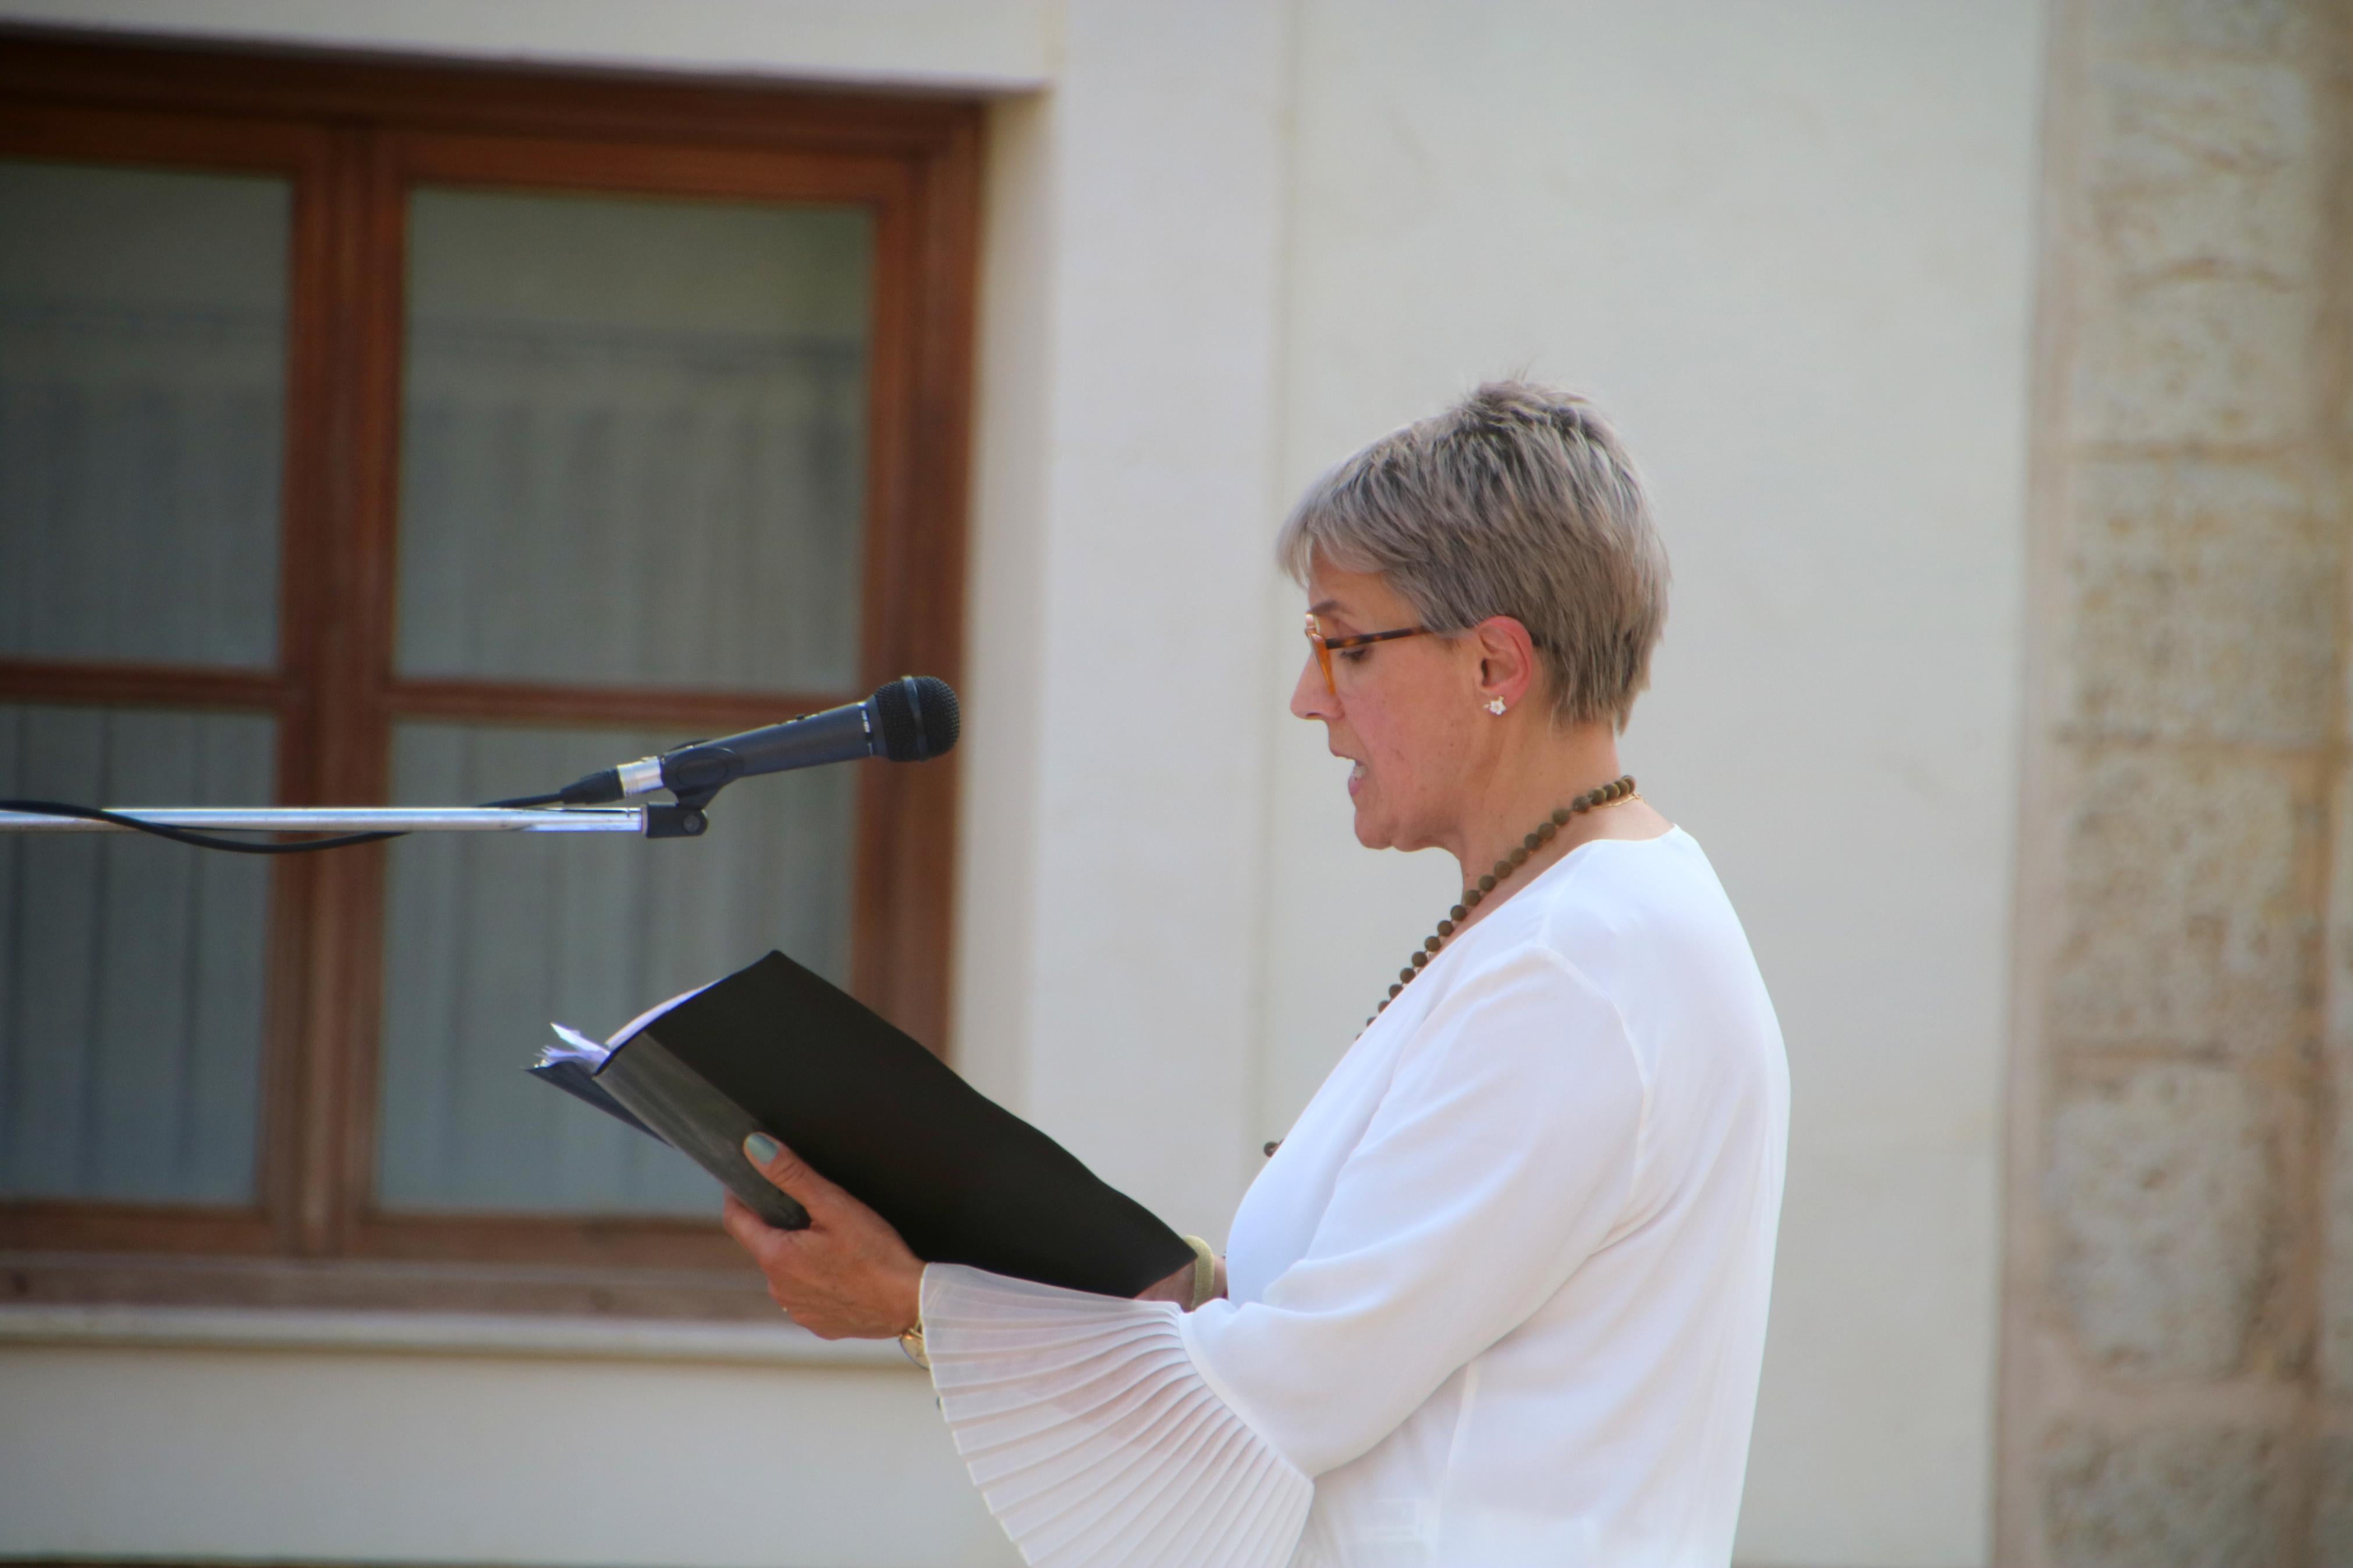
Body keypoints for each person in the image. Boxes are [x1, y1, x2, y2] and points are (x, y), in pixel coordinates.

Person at [722, 382, 1789, 1567]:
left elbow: (1284, 1390)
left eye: (1345, 645)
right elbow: (1343, 1325)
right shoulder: (1564, 924)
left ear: (1496, 661)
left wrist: (918, 1303)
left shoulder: (1582, 966)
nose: (1309, 698)